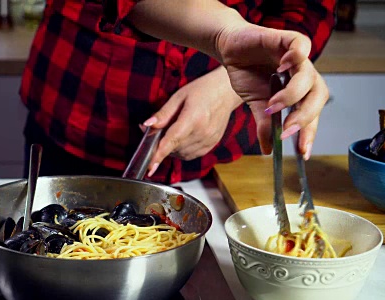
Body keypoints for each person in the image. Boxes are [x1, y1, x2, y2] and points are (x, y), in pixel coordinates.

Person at [20, 0, 334, 184]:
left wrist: (227, 88)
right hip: (81, 126)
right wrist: (227, 36)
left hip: (231, 149)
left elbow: (307, 8)